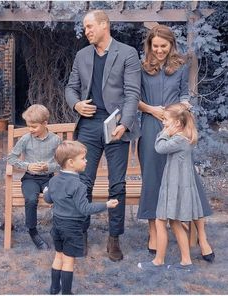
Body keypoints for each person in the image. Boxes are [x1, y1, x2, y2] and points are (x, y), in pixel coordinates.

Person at [65, 10, 141, 262]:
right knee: (83, 183)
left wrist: (126, 123)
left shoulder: (127, 53)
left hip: (116, 125)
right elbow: (70, 87)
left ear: (104, 25)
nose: (86, 31)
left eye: (89, 26)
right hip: (88, 126)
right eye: (85, 27)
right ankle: (81, 234)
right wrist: (76, 105)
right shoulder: (81, 55)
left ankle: (114, 238)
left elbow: (132, 93)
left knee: (117, 184)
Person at [137, 24, 213, 259]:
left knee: (188, 178)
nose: (159, 50)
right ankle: (153, 231)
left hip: (177, 127)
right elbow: (133, 98)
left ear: (171, 45)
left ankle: (202, 236)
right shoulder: (141, 68)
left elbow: (184, 93)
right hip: (151, 127)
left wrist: (183, 106)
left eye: (164, 46)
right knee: (152, 179)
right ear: (149, 45)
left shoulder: (180, 66)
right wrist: (152, 110)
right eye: (155, 46)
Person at [138, 103, 214, 271]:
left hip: (174, 188)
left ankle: (159, 261)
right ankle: (186, 262)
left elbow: (159, 147)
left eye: (166, 120)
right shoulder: (184, 137)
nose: (163, 123)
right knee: (174, 223)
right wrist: (168, 130)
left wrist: (164, 133)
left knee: (161, 221)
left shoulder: (178, 140)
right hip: (175, 185)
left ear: (178, 124)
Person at [43, 140, 119, 294]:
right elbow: (85, 209)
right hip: (72, 228)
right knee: (69, 261)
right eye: (83, 158)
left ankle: (54, 288)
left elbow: (48, 199)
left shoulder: (53, 180)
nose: (86, 161)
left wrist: (46, 191)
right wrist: (106, 205)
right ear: (71, 162)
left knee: (58, 256)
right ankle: (66, 292)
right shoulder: (79, 185)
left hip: (57, 225)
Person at [7, 104, 61, 250]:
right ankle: (33, 231)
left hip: (49, 179)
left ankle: (57, 229)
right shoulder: (26, 139)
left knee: (57, 196)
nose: (30, 129)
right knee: (31, 199)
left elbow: (63, 163)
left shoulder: (55, 140)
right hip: (30, 178)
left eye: (34, 126)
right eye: (28, 126)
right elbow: (10, 158)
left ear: (45, 123)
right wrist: (27, 166)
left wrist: (48, 167)